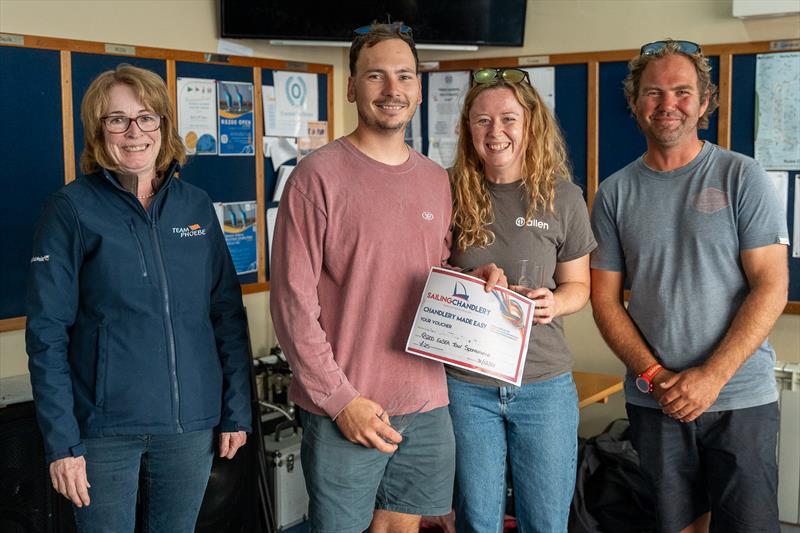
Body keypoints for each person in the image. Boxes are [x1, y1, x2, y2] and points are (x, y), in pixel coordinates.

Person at [269, 23, 505, 533]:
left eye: (404, 76)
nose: (392, 90)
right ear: (352, 87)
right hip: (347, 409)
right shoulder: (316, 177)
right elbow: (292, 305)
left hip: (425, 405)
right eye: (376, 76)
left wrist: (473, 280)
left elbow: (431, 275)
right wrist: (341, 401)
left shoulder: (435, 180)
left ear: (418, 89)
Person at [26, 64, 252, 533]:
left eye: (147, 117)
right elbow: (46, 334)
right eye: (117, 120)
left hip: (190, 428)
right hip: (104, 432)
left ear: (165, 126)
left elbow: (226, 315)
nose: (135, 132)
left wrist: (236, 408)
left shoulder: (195, 206)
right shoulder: (70, 210)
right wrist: (62, 444)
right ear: (98, 131)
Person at [590, 40, 788, 533]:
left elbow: (771, 287)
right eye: (653, 92)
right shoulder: (614, 193)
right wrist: (656, 377)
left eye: (682, 92)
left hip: (739, 397)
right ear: (635, 102)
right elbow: (604, 299)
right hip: (655, 398)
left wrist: (712, 377)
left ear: (704, 102)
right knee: (675, 526)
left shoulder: (743, 176)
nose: (667, 105)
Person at [446, 67, 596, 532]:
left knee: (546, 523)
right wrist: (470, 276)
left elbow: (580, 287)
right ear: (468, 129)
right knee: (477, 521)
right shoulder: (445, 190)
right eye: (482, 121)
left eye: (508, 119)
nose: (496, 133)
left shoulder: (564, 198)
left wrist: (555, 302)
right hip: (465, 385)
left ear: (530, 125)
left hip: (543, 385)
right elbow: (422, 274)